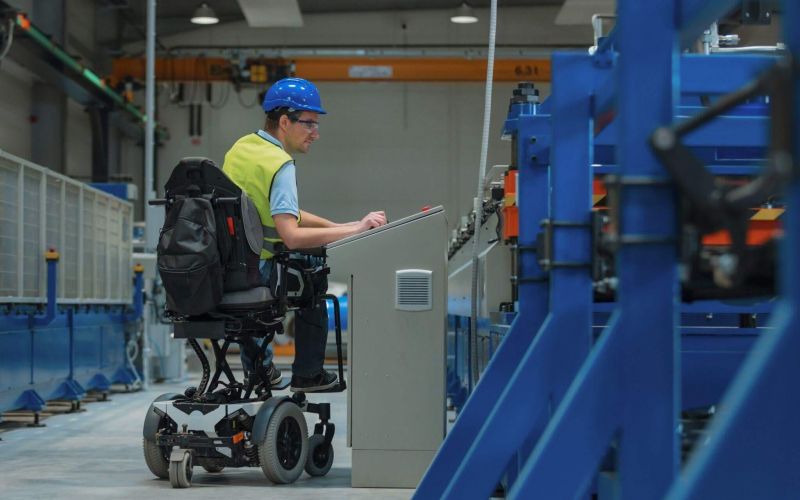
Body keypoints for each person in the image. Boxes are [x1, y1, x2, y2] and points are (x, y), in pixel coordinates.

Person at [222, 77, 387, 393]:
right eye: (309, 123)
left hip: (229, 268)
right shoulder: (280, 164)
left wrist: (339, 225)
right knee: (312, 273)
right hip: (260, 272)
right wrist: (355, 230)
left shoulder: (241, 149)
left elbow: (276, 210)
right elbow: (292, 235)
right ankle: (308, 374)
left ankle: (260, 368)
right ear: (285, 121)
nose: (316, 133)